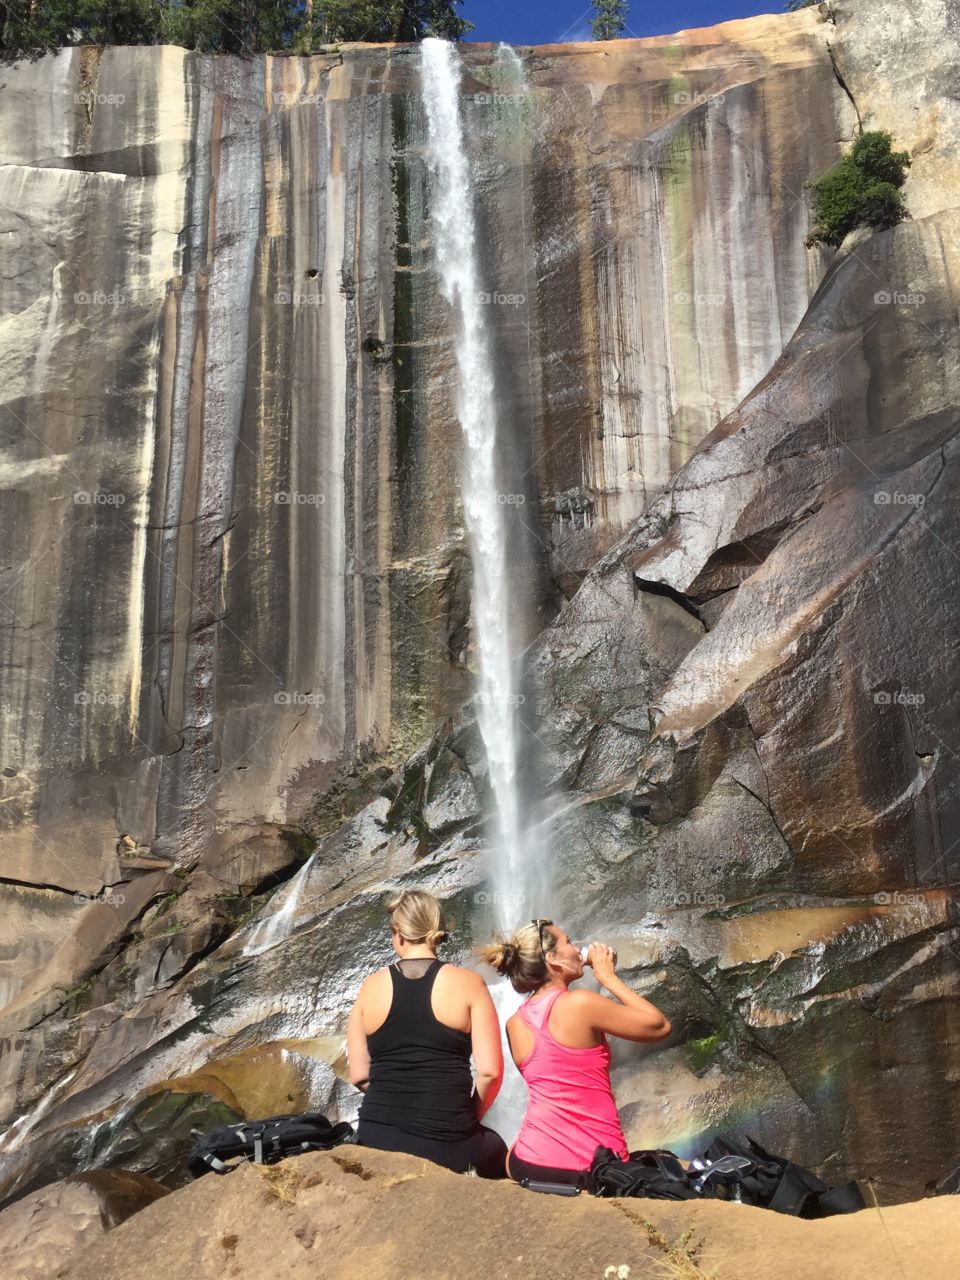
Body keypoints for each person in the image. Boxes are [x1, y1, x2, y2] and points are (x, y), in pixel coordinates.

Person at [478, 917, 672, 1186]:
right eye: (569, 942)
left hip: (527, 1162)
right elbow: (659, 1026)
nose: (577, 947)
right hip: (590, 1166)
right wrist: (608, 977)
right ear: (553, 959)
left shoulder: (515, 1023)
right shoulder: (580, 1004)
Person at [346, 888, 508, 1178]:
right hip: (447, 1142)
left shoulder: (369, 987)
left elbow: (359, 1075)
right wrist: (467, 1117)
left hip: (377, 1136)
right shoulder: (469, 983)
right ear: (437, 932)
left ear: (398, 933)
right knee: (497, 1150)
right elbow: (490, 1073)